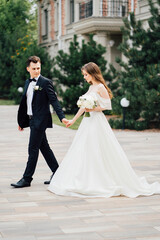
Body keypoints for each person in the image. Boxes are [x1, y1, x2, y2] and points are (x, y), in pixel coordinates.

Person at [48, 62, 160, 198]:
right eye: (84, 75)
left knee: (99, 148)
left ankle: (101, 179)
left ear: (92, 73)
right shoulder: (91, 87)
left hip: (97, 121)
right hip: (87, 122)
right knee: (84, 148)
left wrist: (92, 108)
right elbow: (83, 107)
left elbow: (107, 105)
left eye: (86, 74)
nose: (84, 77)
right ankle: (85, 178)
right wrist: (73, 120)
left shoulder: (100, 87)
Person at [11, 56, 68, 188]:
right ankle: (58, 173)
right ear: (28, 69)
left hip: (40, 121)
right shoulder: (27, 82)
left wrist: (62, 117)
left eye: (38, 68)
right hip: (31, 120)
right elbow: (26, 104)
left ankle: (27, 178)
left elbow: (54, 100)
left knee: (33, 149)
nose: (37, 71)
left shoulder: (45, 82)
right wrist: (22, 122)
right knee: (44, 148)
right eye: (34, 68)